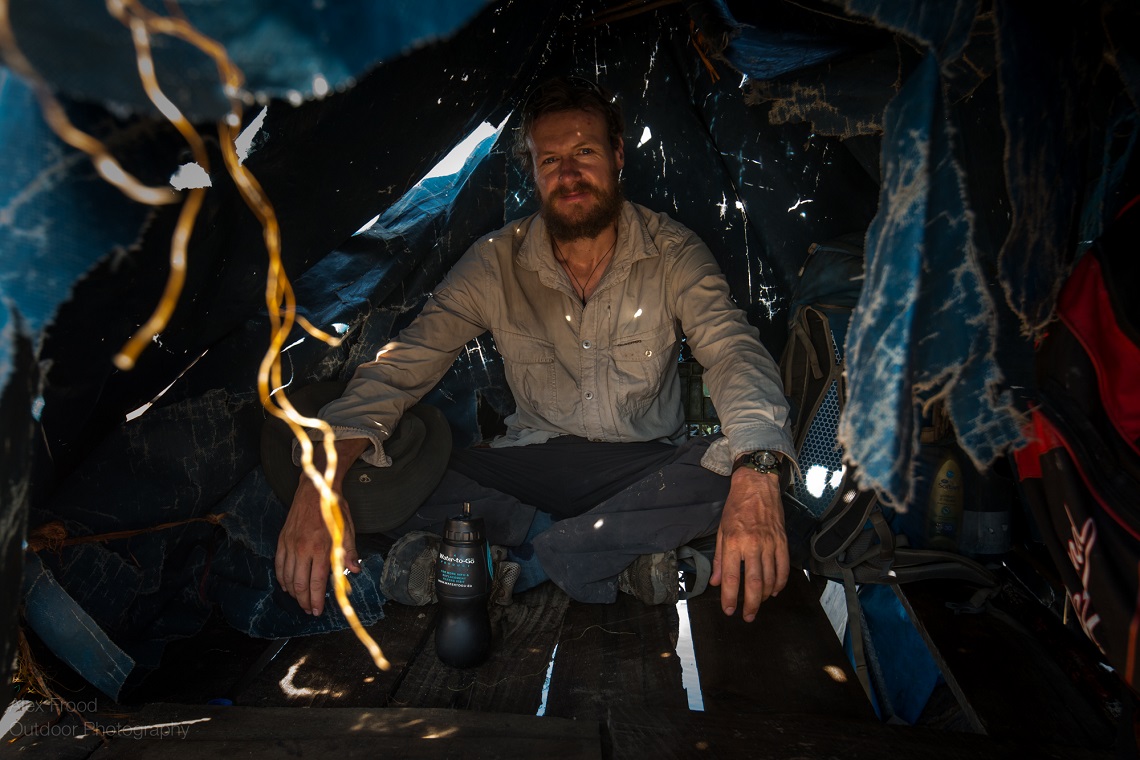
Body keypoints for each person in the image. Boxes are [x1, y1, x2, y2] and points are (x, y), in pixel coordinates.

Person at [275, 76, 795, 624]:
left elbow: (733, 351)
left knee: (733, 471)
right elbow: (403, 365)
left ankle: (514, 564)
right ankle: (608, 557)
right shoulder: (496, 261)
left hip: (642, 470)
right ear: (533, 171)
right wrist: (320, 480)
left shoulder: (673, 252)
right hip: (528, 468)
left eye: (585, 153)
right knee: (381, 474)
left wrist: (757, 473)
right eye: (550, 161)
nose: (568, 175)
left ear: (618, 155)